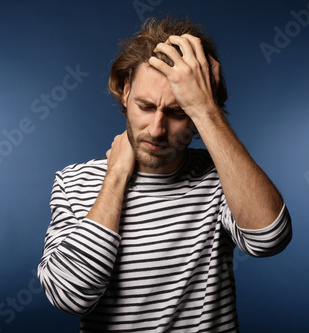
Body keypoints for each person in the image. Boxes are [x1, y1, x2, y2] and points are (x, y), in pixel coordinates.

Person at [38, 15, 292, 332]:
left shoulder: (221, 178)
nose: (157, 130)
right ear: (125, 91)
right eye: (146, 106)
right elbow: (69, 296)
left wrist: (205, 108)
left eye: (177, 112)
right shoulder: (73, 182)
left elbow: (270, 239)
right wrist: (115, 176)